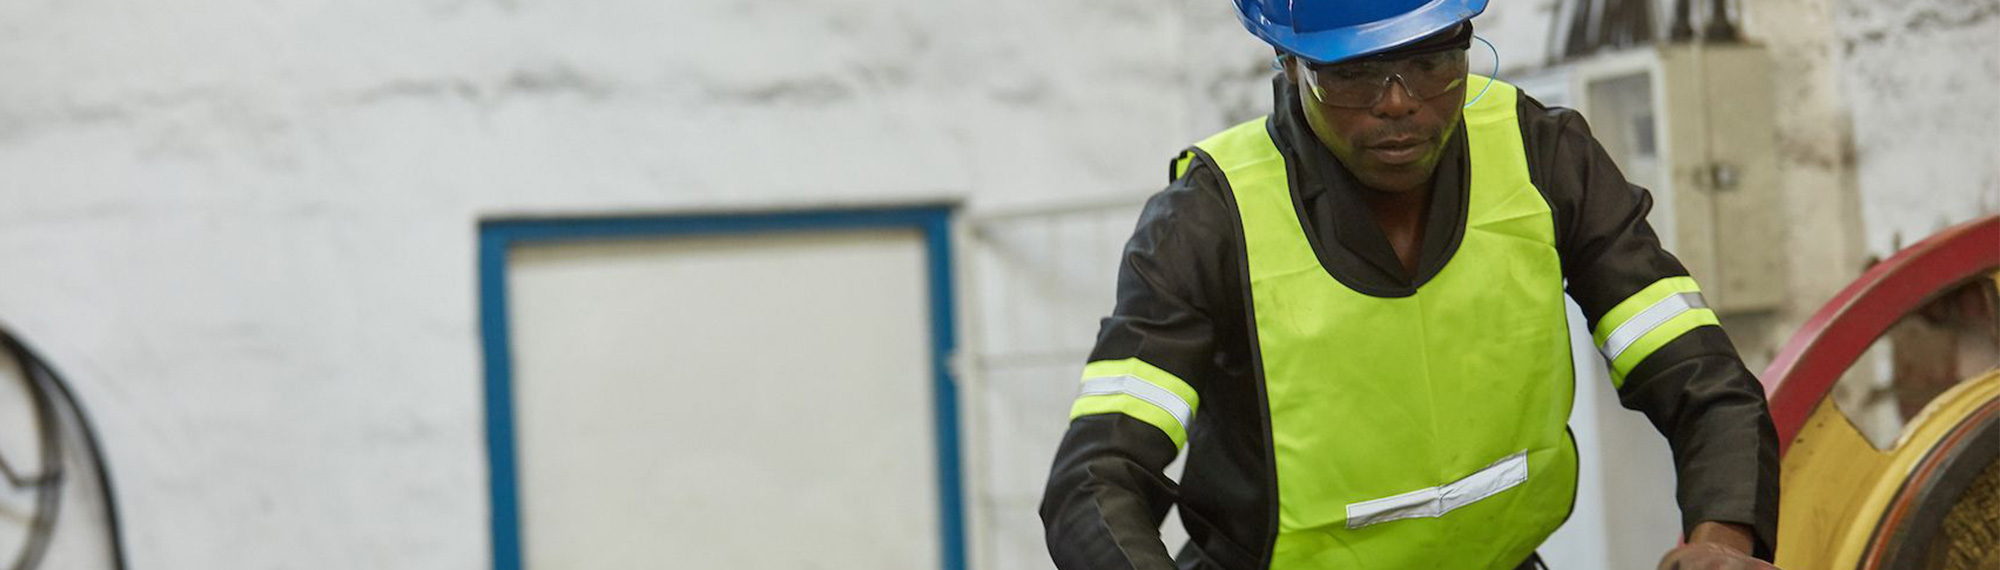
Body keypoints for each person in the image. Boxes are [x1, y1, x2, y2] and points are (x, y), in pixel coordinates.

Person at [1037, 1, 1781, 569]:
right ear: (1289, 64)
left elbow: (1702, 378)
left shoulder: (1544, 159)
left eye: (1431, 62)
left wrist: (1723, 535)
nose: (1398, 102)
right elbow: (1098, 478)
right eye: (1355, 73)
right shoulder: (1207, 222)